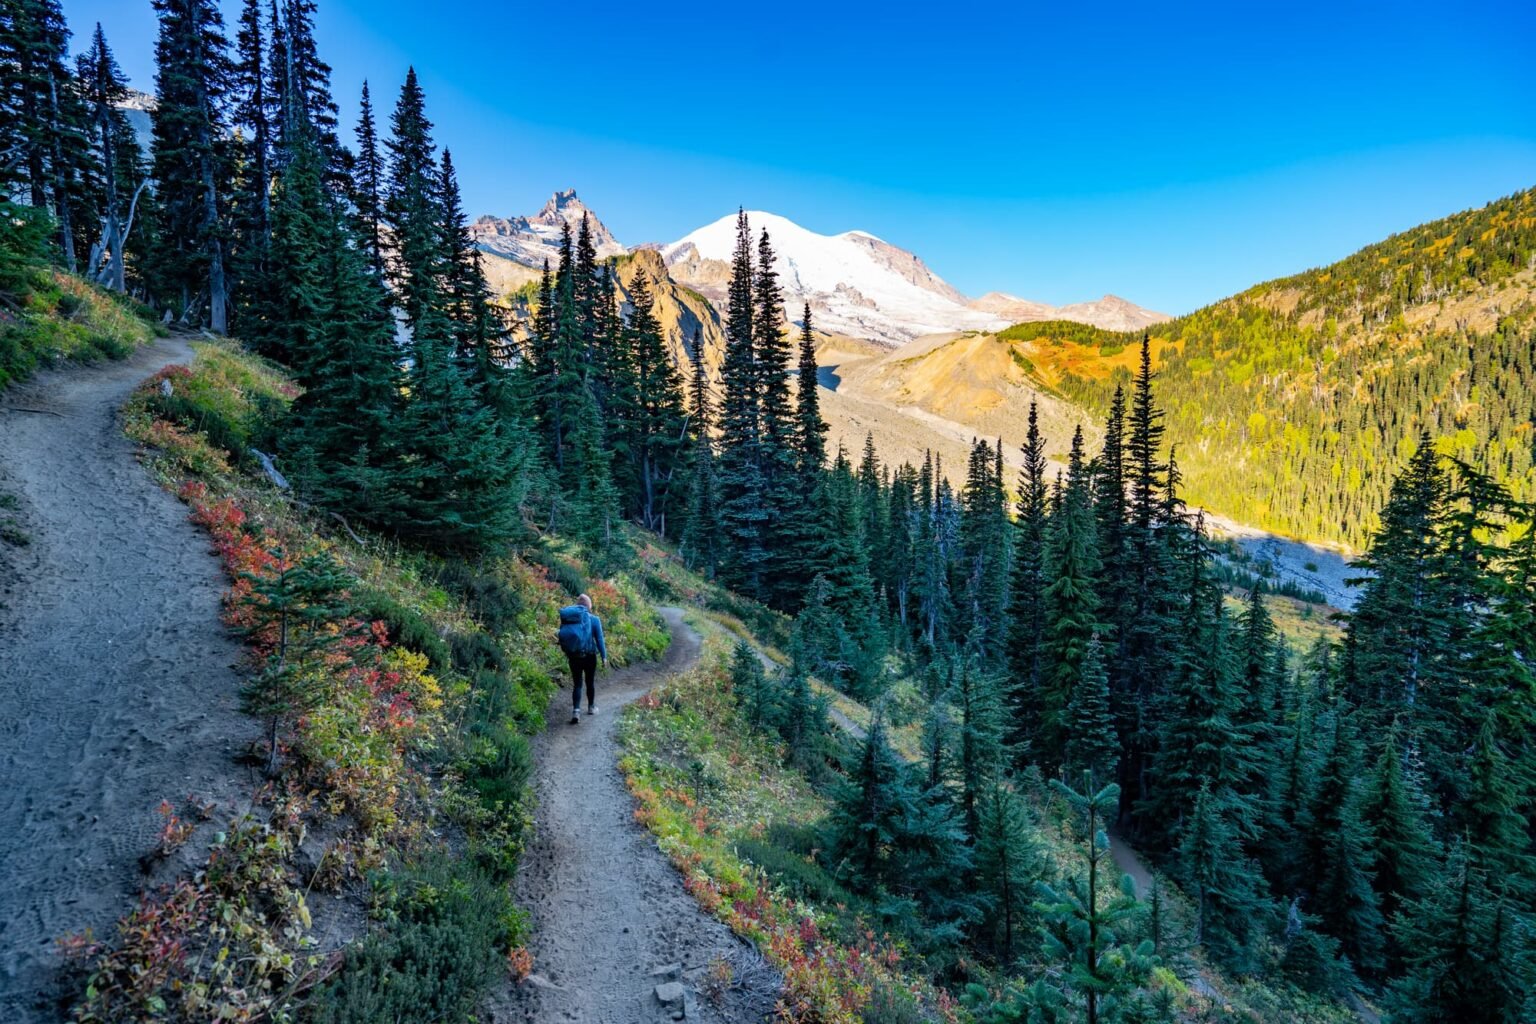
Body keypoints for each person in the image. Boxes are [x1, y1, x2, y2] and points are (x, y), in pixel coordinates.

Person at [558, 593, 607, 724]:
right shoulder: (595, 620)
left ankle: (576, 711)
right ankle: (591, 707)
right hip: (590, 656)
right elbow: (599, 639)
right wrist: (604, 657)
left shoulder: (570, 619)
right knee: (589, 682)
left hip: (574, 656)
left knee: (577, 684)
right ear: (588, 606)